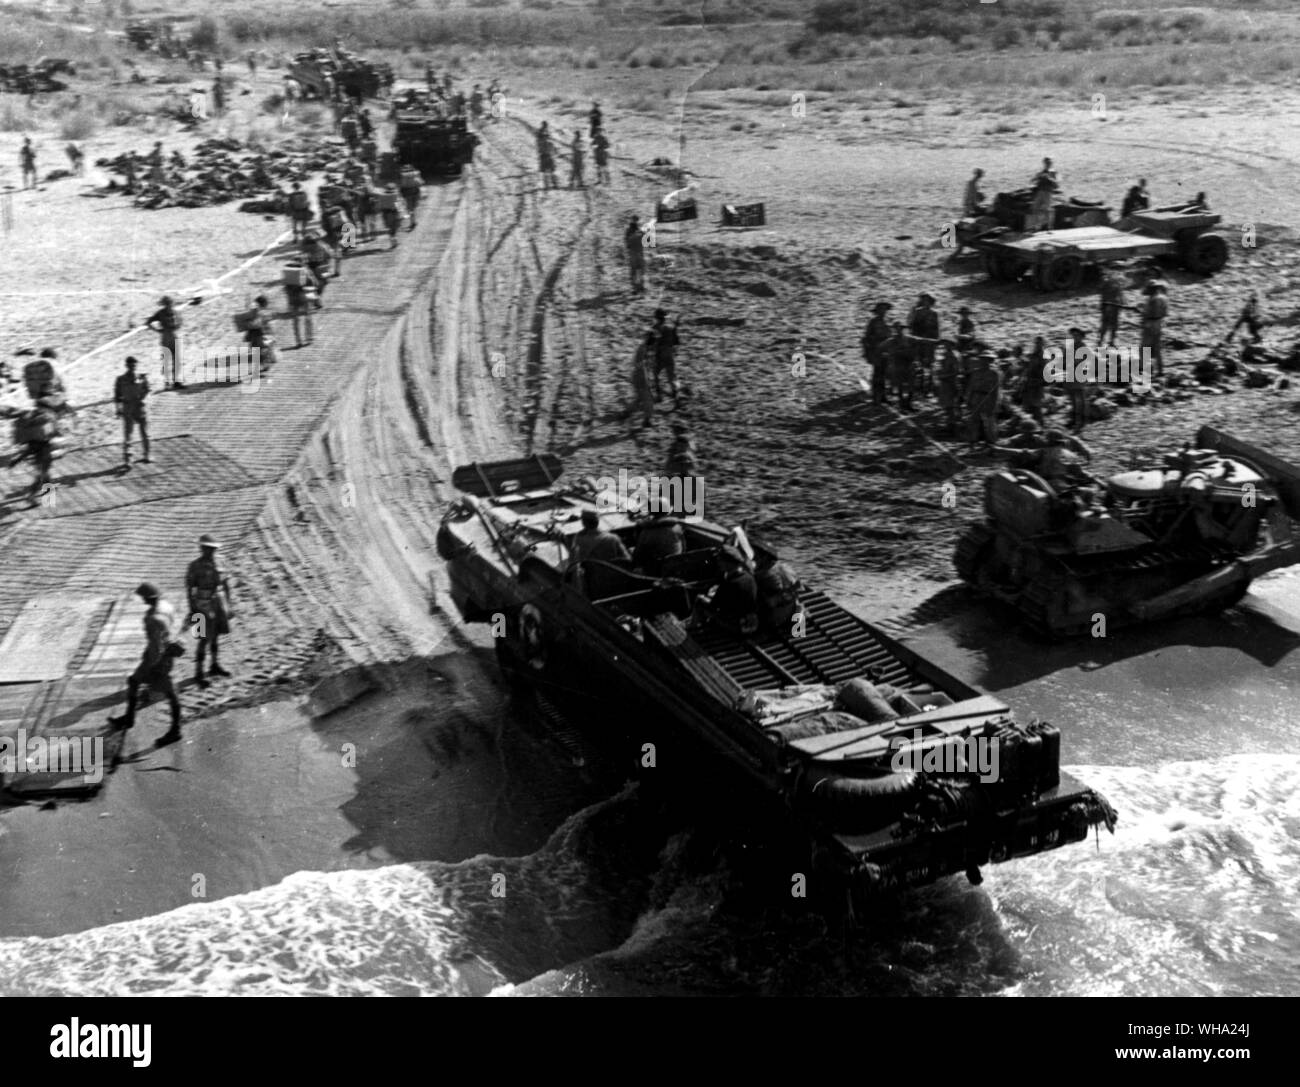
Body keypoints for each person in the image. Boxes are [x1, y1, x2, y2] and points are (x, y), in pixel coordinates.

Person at [108, 583, 183, 745]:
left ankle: (176, 730)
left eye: (143, 598)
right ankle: (129, 718)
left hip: (157, 660)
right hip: (162, 654)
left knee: (170, 692)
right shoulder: (166, 608)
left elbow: (156, 646)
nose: (142, 600)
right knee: (134, 681)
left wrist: (150, 665)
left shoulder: (151, 619)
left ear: (148, 599)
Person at [186, 534, 233, 689]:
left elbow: (226, 584)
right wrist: (192, 609)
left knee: (216, 636)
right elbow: (189, 588)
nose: (209, 551)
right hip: (201, 603)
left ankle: (214, 665)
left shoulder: (221, 561)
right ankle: (198, 672)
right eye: (206, 548)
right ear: (201, 548)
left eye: (212, 549)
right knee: (203, 638)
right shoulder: (194, 566)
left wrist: (229, 605)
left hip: (218, 602)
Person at [569, 509, 631, 598]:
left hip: (594, 586)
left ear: (584, 523)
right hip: (615, 583)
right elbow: (627, 560)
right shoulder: (613, 538)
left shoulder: (579, 541)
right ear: (598, 522)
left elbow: (574, 564)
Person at [114, 356, 151, 469]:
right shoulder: (120, 380)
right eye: (130, 365)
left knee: (145, 433)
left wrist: (143, 399)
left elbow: (147, 390)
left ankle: (147, 455)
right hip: (128, 407)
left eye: (134, 365)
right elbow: (117, 396)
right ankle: (128, 459)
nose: (132, 367)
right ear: (126, 366)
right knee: (128, 435)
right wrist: (118, 409)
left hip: (140, 407)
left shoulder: (142, 378)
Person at [755, 551, 802, 633]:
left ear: (764, 558)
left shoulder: (763, 575)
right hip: (790, 612)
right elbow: (798, 587)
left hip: (774, 619)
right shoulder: (786, 567)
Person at [964, 350, 1001, 447]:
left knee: (989, 421)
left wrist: (994, 405)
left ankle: (991, 443)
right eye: (982, 359)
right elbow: (970, 387)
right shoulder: (975, 372)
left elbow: (996, 391)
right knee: (974, 420)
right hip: (976, 397)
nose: (984, 362)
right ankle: (973, 441)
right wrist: (968, 400)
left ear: (990, 361)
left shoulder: (994, 374)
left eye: (987, 360)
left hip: (988, 398)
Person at [146, 296, 184, 389]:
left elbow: (180, 322)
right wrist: (158, 330)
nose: (169, 305)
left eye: (169, 303)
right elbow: (148, 322)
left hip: (173, 337)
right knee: (166, 360)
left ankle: (176, 382)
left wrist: (160, 330)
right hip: (166, 337)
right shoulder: (161, 313)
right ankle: (167, 383)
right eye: (167, 304)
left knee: (177, 361)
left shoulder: (176, 312)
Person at [633, 510, 685, 576]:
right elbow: (683, 548)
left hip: (656, 572)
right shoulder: (677, 528)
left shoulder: (646, 532)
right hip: (676, 568)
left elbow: (638, 555)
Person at [862, 301, 892, 405]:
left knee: (884, 375)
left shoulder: (888, 321)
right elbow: (866, 339)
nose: (883, 311)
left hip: (886, 352)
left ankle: (883, 396)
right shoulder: (873, 322)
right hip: (877, 352)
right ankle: (876, 397)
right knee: (877, 375)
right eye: (881, 309)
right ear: (877, 311)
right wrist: (869, 353)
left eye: (884, 309)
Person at [908, 293, 939, 395]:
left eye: (928, 301)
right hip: (919, 341)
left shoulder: (934, 314)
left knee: (929, 365)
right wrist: (914, 340)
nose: (926, 303)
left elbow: (936, 329)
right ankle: (919, 386)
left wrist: (935, 342)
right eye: (924, 300)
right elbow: (913, 327)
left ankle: (929, 387)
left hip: (930, 342)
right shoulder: (917, 312)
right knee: (919, 364)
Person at [624, 332, 655, 428]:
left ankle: (627, 412)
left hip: (639, 376)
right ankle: (647, 420)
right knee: (648, 399)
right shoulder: (643, 349)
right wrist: (646, 380)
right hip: (640, 377)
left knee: (639, 399)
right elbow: (638, 365)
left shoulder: (643, 348)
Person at [882, 322, 916, 411]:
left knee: (911, 386)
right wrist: (888, 355)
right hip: (897, 366)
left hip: (908, 365)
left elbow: (921, 341)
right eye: (897, 328)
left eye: (900, 328)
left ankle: (908, 404)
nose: (899, 330)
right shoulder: (890, 341)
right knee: (900, 386)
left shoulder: (909, 339)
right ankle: (902, 405)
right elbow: (880, 349)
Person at [283, 260, 318, 347]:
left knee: (295, 321)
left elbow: (286, 288)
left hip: (292, 298)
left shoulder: (288, 274)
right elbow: (314, 283)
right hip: (303, 297)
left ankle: (298, 341)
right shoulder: (305, 271)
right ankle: (309, 337)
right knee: (308, 317)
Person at [651, 308, 681, 407]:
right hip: (670, 354)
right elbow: (676, 342)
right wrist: (675, 327)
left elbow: (652, 342)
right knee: (672, 377)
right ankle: (676, 397)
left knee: (655, 373)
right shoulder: (670, 327)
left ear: (657, 318)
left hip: (660, 355)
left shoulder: (656, 327)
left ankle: (659, 395)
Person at [1141, 281, 1168, 379]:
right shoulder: (1163, 298)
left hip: (1151, 323)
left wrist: (1145, 317)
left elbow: (1151, 312)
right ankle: (1160, 370)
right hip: (1159, 323)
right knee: (1157, 348)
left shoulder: (1154, 299)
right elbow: (1164, 312)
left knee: (1145, 347)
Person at [1019, 335, 1048, 425]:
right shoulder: (1032, 354)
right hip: (1029, 382)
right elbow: (1028, 367)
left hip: (1037, 383)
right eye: (1036, 343)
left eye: (1039, 343)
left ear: (1042, 344)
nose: (1037, 344)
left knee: (1036, 405)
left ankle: (1039, 424)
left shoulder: (1043, 356)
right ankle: (1030, 425)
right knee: (1028, 404)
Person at [935, 341, 961, 435]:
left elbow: (956, 371)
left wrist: (944, 376)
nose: (945, 345)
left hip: (951, 382)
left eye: (947, 343)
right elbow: (940, 366)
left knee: (951, 405)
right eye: (944, 343)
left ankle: (952, 427)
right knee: (946, 405)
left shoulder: (954, 356)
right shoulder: (945, 354)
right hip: (944, 382)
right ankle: (949, 425)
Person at [243, 294, 275, 367]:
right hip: (260, 334)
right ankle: (266, 362)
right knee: (265, 346)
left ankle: (264, 362)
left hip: (253, 335)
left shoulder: (252, 312)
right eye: (266, 303)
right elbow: (266, 324)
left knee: (257, 349)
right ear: (264, 304)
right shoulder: (262, 313)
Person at [1099, 269, 1125, 347]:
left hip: (1115, 306)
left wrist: (1122, 303)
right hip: (1108, 306)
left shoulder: (1117, 282)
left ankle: (1111, 341)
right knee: (1105, 325)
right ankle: (1101, 341)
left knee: (1114, 325)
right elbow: (1104, 294)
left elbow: (1120, 294)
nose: (1116, 274)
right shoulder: (1106, 282)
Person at [625, 214, 646, 293]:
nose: (635, 221)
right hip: (635, 253)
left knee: (639, 270)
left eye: (636, 220)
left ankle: (639, 286)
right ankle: (636, 287)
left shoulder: (639, 230)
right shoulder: (630, 230)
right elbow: (627, 243)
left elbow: (646, 241)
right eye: (635, 220)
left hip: (637, 252)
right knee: (635, 270)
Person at [398, 164, 421, 229]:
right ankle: (414, 221)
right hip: (416, 192)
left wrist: (401, 193)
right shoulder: (416, 173)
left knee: (410, 208)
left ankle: (412, 222)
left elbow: (402, 185)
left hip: (408, 193)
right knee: (414, 207)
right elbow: (420, 182)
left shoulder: (403, 175)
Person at [379, 183, 401, 247]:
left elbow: (380, 206)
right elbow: (398, 205)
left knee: (389, 228)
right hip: (394, 213)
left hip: (385, 213)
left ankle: (392, 241)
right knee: (394, 228)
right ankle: (394, 240)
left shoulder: (381, 195)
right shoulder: (395, 195)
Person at [537, 122, 557, 189]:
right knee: (549, 171)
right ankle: (551, 184)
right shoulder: (544, 137)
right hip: (546, 155)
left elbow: (552, 146)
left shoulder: (542, 137)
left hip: (546, 155)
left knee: (550, 170)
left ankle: (551, 184)